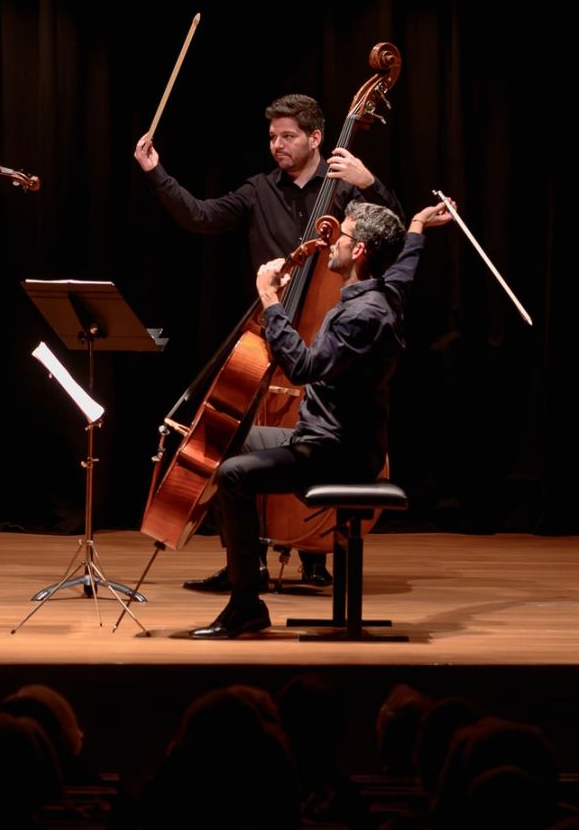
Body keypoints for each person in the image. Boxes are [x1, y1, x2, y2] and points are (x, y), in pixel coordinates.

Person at [135, 92, 401, 588]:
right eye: (273, 137)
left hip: (318, 334)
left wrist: (370, 184)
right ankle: (247, 561)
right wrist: (157, 172)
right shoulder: (259, 189)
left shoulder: (345, 189)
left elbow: (390, 237)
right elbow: (201, 216)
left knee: (306, 430)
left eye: (288, 136)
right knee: (231, 438)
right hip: (272, 333)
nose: (277, 145)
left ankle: (316, 553)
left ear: (316, 138)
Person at [191, 198, 453, 637]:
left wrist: (271, 301)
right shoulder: (387, 290)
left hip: (336, 452)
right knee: (228, 437)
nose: (332, 242)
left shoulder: (364, 316)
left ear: (362, 250)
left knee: (234, 476)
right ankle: (247, 563)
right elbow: (405, 265)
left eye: (343, 236)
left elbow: (304, 368)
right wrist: (417, 226)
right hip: (323, 438)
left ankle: (245, 604)